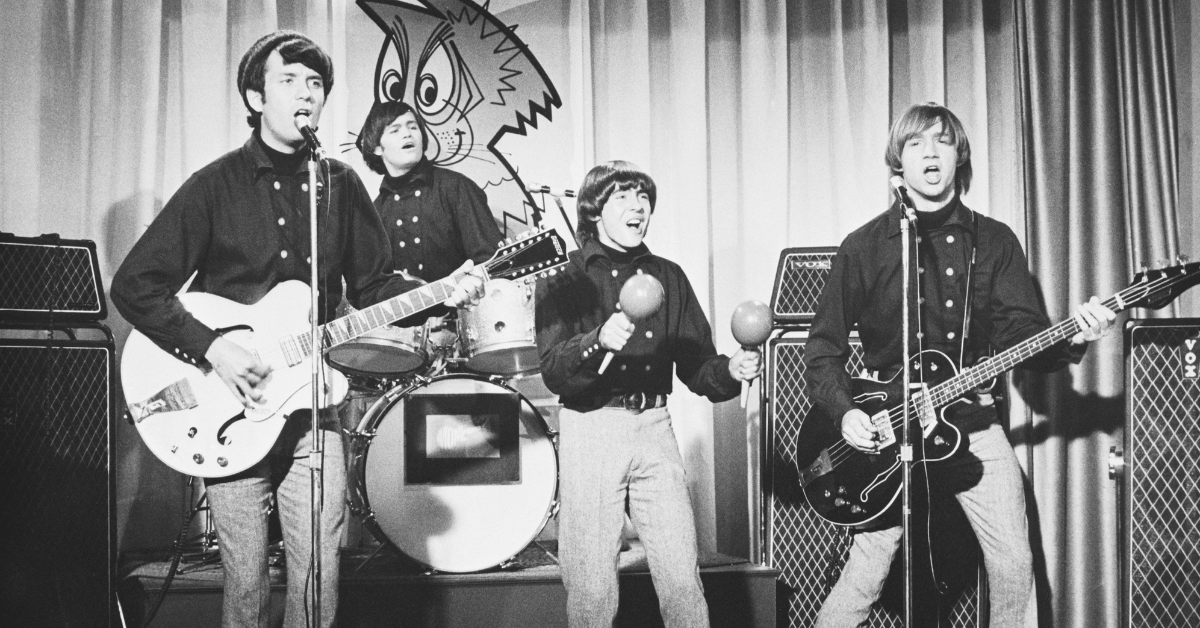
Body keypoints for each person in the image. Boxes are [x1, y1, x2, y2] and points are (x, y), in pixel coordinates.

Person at [111, 30, 484, 628]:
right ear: (256, 98)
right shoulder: (216, 184)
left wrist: (442, 290)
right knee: (246, 581)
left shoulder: (340, 183)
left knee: (319, 573)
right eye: (288, 80)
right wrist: (214, 348)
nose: (306, 93)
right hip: (232, 403)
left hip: (314, 404)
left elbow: (373, 288)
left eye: (315, 83)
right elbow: (136, 285)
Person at [803, 102, 1116, 628]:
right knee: (866, 571)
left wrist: (1074, 339)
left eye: (942, 141)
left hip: (971, 422)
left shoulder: (994, 240)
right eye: (916, 143)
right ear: (898, 161)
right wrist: (846, 412)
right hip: (890, 430)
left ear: (959, 157)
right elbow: (822, 348)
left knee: (1014, 564)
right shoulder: (864, 246)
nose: (930, 152)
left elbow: (1023, 337)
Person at [535, 161, 762, 628]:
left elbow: (697, 367)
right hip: (592, 426)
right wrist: (597, 340)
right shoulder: (564, 276)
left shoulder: (669, 276)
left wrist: (731, 370)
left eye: (643, 197)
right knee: (591, 586)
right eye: (621, 196)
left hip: (656, 427)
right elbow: (554, 371)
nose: (637, 207)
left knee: (682, 578)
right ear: (594, 211)